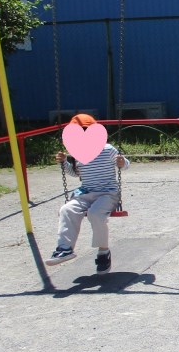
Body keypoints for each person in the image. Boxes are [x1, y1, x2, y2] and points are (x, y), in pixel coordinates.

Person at [45, 113, 129, 273]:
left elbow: (125, 165)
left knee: (95, 214)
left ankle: (103, 252)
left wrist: (122, 162)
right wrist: (64, 163)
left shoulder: (108, 149)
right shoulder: (77, 151)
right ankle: (64, 249)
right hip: (85, 192)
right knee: (66, 209)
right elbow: (75, 173)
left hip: (107, 194)